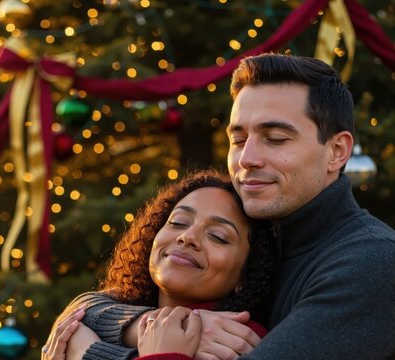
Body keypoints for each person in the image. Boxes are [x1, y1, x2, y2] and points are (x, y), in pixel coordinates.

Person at [46, 53, 395, 359]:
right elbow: (89, 307)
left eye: (275, 139)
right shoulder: (266, 236)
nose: (247, 159)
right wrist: (150, 324)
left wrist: (86, 352)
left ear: (337, 152)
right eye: (238, 139)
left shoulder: (372, 263)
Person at [42, 169, 277, 360]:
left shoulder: (236, 342)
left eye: (218, 236)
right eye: (178, 222)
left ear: (247, 275)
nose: (187, 237)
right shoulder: (118, 305)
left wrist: (86, 353)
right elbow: (82, 309)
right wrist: (162, 325)